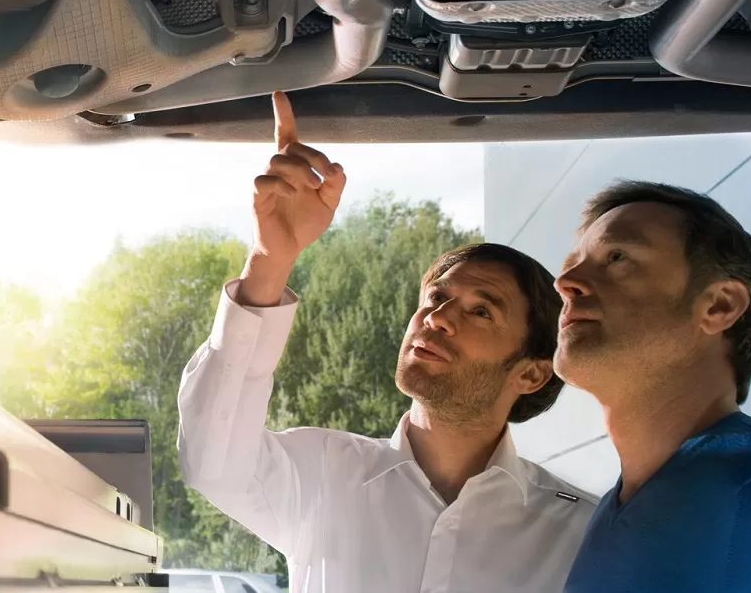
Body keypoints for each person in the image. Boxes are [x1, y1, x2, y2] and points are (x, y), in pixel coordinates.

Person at [177, 92, 595, 592]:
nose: (437, 318)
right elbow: (211, 460)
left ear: (530, 372)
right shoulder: (323, 476)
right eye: (436, 297)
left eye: (480, 310)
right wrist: (271, 255)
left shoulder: (581, 535)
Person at [555, 181, 751, 592]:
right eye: (572, 263)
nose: (565, 281)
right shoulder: (607, 512)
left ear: (720, 305)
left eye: (616, 256)